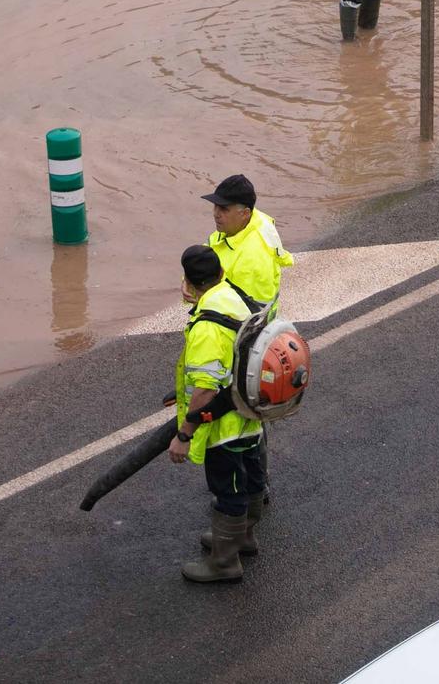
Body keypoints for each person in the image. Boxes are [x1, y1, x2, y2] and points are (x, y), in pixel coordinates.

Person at [168, 243, 268, 584]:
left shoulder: (207, 327)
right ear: (220, 273)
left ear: (188, 284)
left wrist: (184, 434)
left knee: (229, 487)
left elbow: (206, 388)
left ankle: (224, 562)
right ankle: (243, 537)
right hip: (251, 411)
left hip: (226, 425)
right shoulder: (233, 295)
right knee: (251, 476)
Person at [201, 173, 293, 311]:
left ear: (244, 213)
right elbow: (203, 257)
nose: (216, 213)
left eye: (224, 209)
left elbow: (248, 316)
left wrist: (198, 292)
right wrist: (190, 282)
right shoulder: (237, 227)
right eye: (215, 206)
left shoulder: (252, 259)